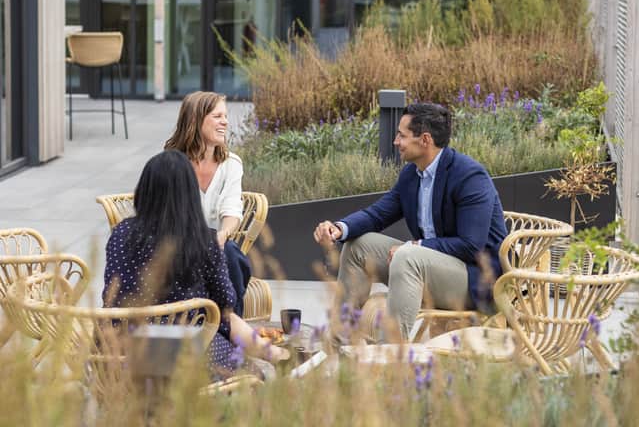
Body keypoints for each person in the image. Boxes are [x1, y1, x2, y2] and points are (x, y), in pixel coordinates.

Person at [314, 102, 508, 340]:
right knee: (359, 246)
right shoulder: (411, 175)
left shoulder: (469, 176)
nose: (396, 142)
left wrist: (416, 246)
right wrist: (338, 229)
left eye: (401, 135)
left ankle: (390, 353)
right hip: (427, 267)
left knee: (407, 256)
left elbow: (471, 245)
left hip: (476, 280)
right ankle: (341, 343)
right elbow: (377, 214)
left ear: (425, 140)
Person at [102, 150, 288, 378]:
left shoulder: (120, 233)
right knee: (249, 368)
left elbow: (111, 292)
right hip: (184, 355)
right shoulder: (203, 240)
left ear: (145, 191)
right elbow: (226, 301)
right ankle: (273, 354)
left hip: (118, 353)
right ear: (189, 195)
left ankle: (271, 353)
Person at [165, 91, 251, 318]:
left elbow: (232, 209)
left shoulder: (231, 164)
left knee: (230, 253)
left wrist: (221, 236)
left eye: (226, 116)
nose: (225, 122)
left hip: (216, 246)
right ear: (196, 119)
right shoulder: (172, 163)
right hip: (177, 246)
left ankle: (230, 324)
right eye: (217, 116)